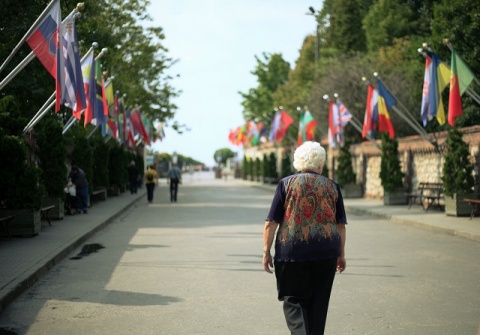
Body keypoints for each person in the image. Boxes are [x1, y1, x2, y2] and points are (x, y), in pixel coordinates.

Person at [262, 141, 347, 335]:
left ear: (297, 162)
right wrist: (341, 254)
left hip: (292, 254)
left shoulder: (286, 184)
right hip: (327, 254)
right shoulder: (332, 186)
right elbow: (340, 225)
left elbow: (271, 222)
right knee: (319, 304)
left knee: (293, 302)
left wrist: (266, 252)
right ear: (321, 164)